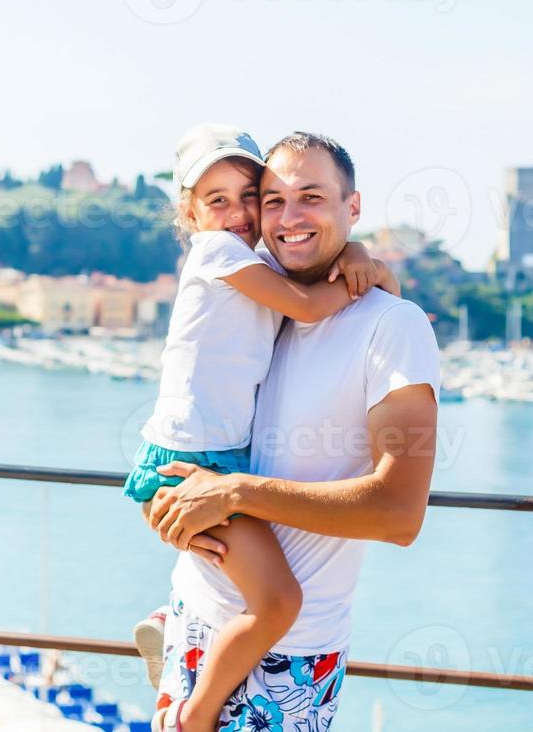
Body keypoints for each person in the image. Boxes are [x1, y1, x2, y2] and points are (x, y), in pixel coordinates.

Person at [147, 132, 441, 731]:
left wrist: (231, 492)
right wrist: (168, 506)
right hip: (196, 616)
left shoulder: (394, 325)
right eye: (274, 199)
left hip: (292, 652)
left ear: (351, 208)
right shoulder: (265, 299)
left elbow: (399, 515)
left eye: (311, 196)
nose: (285, 217)